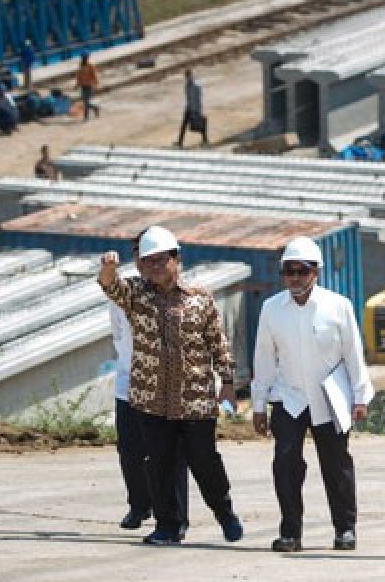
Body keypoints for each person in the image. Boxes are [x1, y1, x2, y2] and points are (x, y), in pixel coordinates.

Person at [98, 226, 244, 546]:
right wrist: (108, 268)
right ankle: (168, 525)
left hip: (195, 399)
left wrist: (228, 383)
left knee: (204, 462)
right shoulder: (136, 294)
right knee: (159, 464)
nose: (154, 267)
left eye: (160, 261)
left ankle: (225, 512)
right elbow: (110, 287)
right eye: (147, 261)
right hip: (150, 399)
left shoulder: (199, 299)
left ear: (176, 259)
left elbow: (218, 343)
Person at [251, 237, 375, 553]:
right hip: (289, 397)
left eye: (301, 271)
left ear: (315, 272)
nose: (294, 278)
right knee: (285, 464)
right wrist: (258, 404)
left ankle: (345, 529)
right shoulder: (272, 309)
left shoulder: (338, 306)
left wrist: (360, 397)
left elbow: (353, 354)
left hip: (329, 397)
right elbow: (264, 358)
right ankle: (291, 533)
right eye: (288, 272)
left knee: (337, 465)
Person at [110, 234, 190, 537]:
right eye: (142, 256)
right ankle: (140, 505)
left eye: (157, 257)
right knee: (130, 449)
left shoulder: (183, 293)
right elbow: (118, 334)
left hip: (168, 386)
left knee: (171, 454)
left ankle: (175, 518)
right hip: (129, 383)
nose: (149, 262)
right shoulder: (123, 293)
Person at [176, 69, 208, 147]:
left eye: (188, 76)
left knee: (198, 125)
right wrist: (187, 107)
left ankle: (205, 140)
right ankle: (180, 142)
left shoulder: (197, 86)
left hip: (195, 109)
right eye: (186, 76)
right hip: (189, 108)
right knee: (184, 125)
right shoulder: (186, 86)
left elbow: (198, 99)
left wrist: (198, 110)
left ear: (191, 75)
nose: (187, 78)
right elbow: (188, 98)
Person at [74, 54, 100, 120]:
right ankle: (94, 108)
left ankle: (86, 116)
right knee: (85, 101)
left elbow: (94, 75)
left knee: (86, 102)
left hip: (89, 85)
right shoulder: (80, 66)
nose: (84, 58)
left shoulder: (90, 66)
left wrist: (96, 84)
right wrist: (77, 85)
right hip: (83, 86)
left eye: (85, 57)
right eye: (83, 57)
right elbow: (78, 76)